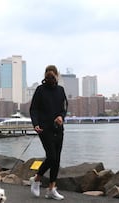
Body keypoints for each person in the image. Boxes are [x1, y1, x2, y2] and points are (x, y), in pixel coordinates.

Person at [29, 65, 68, 200]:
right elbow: (33, 109)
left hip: (58, 129)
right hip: (44, 129)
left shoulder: (61, 90)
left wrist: (61, 117)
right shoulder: (40, 90)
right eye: (48, 74)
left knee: (56, 160)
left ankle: (51, 189)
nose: (50, 77)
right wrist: (36, 124)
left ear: (57, 76)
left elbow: (64, 109)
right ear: (45, 76)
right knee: (51, 156)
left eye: (53, 75)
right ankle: (37, 179)